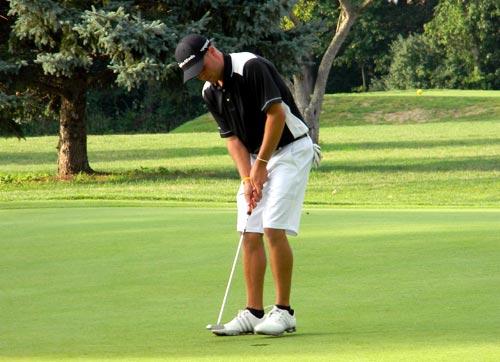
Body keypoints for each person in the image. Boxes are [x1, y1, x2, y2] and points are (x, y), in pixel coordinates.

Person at [175, 34, 315, 336]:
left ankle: (284, 312)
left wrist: (261, 166)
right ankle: (253, 312)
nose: (201, 74)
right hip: (255, 157)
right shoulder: (209, 92)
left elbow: (276, 116)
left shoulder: (250, 67)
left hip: (291, 149)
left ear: (211, 51)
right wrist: (248, 178)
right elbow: (232, 140)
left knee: (272, 227)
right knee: (249, 230)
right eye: (194, 72)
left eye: (201, 66)